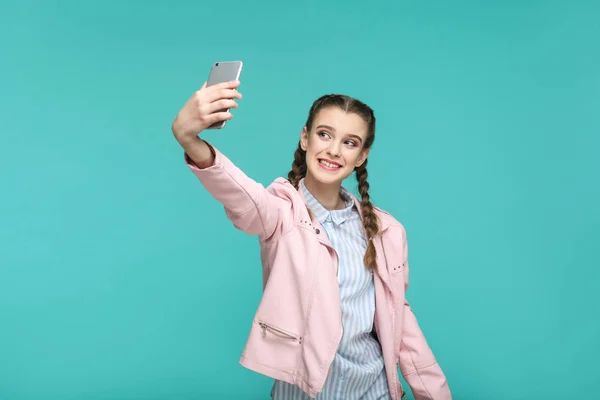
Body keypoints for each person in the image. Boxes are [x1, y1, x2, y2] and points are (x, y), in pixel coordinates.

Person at [171, 79, 452, 400]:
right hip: (305, 392)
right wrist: (189, 139)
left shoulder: (387, 231)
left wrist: (435, 394)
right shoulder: (281, 213)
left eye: (350, 142)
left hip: (375, 390)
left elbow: (400, 323)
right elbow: (243, 196)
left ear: (362, 156)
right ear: (305, 138)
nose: (333, 150)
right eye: (324, 134)